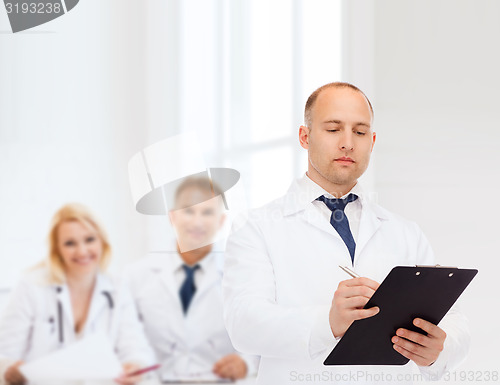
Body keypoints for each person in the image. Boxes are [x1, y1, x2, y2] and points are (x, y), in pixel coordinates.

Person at [222, 82, 470, 384]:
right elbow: (244, 326)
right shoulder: (257, 227)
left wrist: (438, 350)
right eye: (333, 129)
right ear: (305, 136)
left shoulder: (405, 232)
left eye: (360, 132)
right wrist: (328, 322)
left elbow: (454, 319)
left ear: (372, 140)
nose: (348, 143)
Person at [0, 203, 155, 385]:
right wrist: (9, 371)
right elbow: (5, 354)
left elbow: (135, 347)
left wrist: (134, 365)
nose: (82, 251)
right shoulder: (31, 287)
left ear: (102, 242)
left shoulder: (118, 287)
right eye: (70, 243)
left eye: (89, 239)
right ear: (57, 249)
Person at [124, 177, 258, 382]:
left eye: (207, 212)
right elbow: (127, 336)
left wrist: (245, 363)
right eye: (188, 211)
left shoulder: (241, 275)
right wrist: (134, 363)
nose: (197, 221)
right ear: (172, 216)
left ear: (221, 221)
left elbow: (259, 333)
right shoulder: (136, 276)